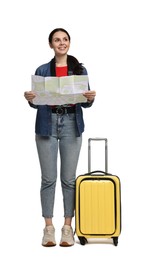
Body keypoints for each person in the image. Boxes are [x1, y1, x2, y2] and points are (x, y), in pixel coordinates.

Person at [24, 28, 96, 247]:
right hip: (47, 123)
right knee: (48, 178)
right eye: (57, 40)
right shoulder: (43, 69)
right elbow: (36, 102)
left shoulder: (79, 69)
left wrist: (90, 98)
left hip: (71, 124)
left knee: (69, 178)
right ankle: (48, 228)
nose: (61, 43)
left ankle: (67, 227)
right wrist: (30, 98)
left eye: (65, 39)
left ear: (69, 43)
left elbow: (85, 102)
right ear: (51, 44)